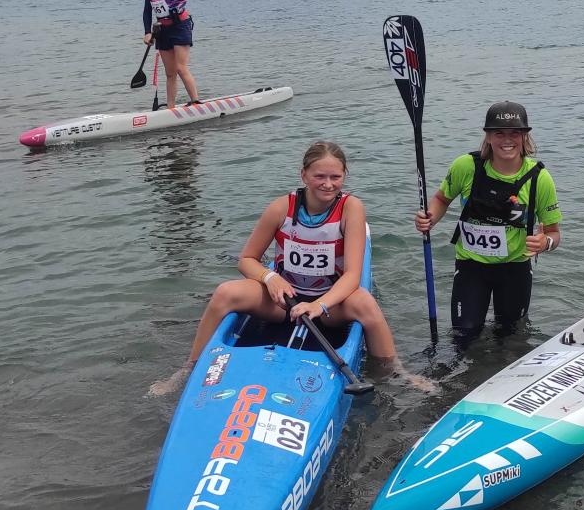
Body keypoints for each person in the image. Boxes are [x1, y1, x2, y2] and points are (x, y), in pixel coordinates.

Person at [150, 141, 421, 395]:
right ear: (304, 175)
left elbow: (352, 276)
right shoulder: (281, 207)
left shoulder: (351, 208)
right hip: (284, 303)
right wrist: (269, 278)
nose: (328, 185)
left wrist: (320, 305)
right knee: (224, 293)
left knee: (365, 303)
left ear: (344, 176)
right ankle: (189, 368)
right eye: (319, 177)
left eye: (335, 177)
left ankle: (395, 370)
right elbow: (247, 260)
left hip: (329, 307)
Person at [414, 101, 562, 340]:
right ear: (488, 136)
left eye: (515, 133)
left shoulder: (540, 178)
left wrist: (545, 243)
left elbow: (555, 233)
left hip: (515, 268)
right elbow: (441, 199)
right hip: (471, 266)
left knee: (512, 338)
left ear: (525, 136)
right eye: (499, 133)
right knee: (464, 334)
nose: (507, 140)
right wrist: (429, 218)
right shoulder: (466, 166)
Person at [142, 0, 201, 109]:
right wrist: (148, 32)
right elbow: (147, 10)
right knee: (170, 73)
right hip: (162, 30)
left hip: (180, 26)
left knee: (181, 68)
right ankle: (170, 108)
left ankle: (195, 102)